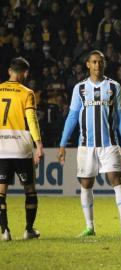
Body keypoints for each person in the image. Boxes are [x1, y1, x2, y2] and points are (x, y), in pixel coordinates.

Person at [57, 50, 121, 238]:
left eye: (100, 62)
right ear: (88, 65)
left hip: (109, 144)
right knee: (86, 183)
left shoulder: (114, 86)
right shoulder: (80, 88)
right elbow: (72, 116)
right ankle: (90, 227)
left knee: (116, 180)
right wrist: (62, 144)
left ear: (104, 64)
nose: (97, 65)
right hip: (86, 145)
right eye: (94, 62)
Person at [0, 57, 44, 241]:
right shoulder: (27, 92)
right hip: (20, 148)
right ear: (24, 73)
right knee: (30, 190)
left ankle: (4, 231)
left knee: (1, 192)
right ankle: (28, 230)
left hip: (1, 148)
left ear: (10, 71)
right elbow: (32, 120)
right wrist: (39, 144)